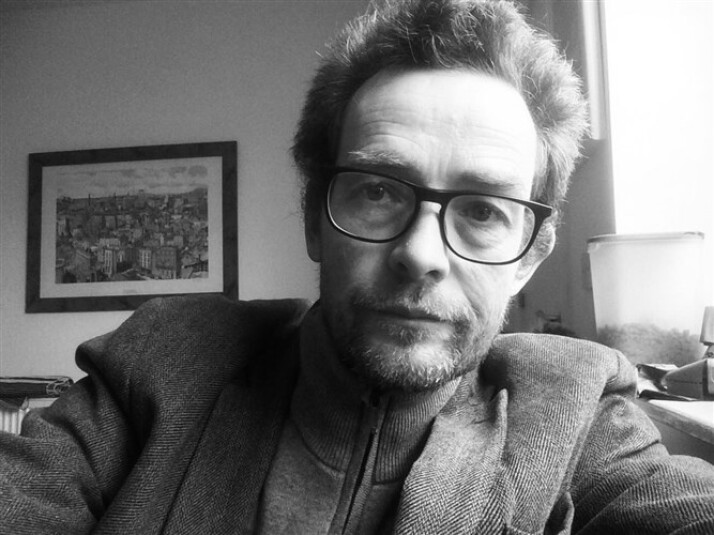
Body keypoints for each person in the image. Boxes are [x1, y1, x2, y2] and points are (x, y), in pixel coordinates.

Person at [2, 0, 713, 533]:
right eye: (377, 191)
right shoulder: (159, 366)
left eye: (483, 210)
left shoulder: (581, 418)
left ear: (529, 256)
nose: (421, 255)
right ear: (315, 216)